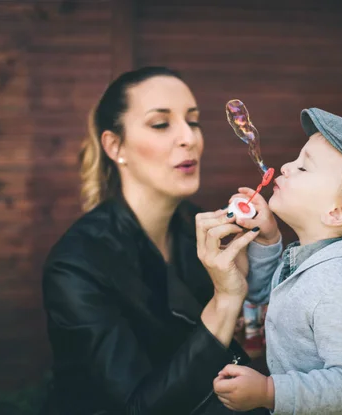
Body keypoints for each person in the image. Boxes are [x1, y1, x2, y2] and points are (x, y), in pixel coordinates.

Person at [41, 66, 268, 415]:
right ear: (115, 146)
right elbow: (138, 408)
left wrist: (247, 331)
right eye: (161, 124)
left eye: (193, 121)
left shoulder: (200, 228)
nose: (189, 138)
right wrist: (224, 302)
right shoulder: (77, 265)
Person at [212, 108, 342, 414]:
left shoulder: (341, 288)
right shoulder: (315, 264)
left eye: (303, 168)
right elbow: (273, 292)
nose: (285, 167)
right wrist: (268, 238)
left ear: (337, 212)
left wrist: (270, 391)